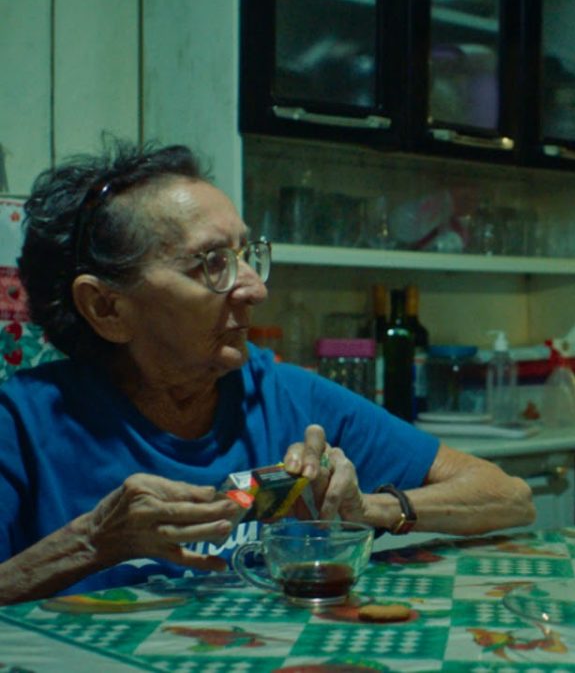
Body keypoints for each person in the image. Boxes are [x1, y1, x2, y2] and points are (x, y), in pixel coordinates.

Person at [0, 140, 535, 604]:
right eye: (212, 263)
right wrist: (94, 542)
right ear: (106, 309)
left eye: (246, 254)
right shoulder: (22, 423)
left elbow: (508, 496)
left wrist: (366, 509)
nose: (256, 289)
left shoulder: (283, 395)